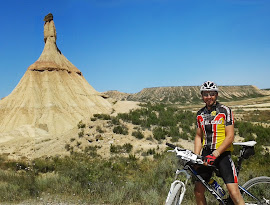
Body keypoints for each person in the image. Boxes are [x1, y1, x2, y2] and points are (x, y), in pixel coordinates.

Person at [194, 81, 245, 205]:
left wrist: (216, 154)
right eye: (205, 94)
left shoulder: (225, 111)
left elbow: (230, 137)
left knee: (233, 192)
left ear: (216, 95)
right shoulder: (200, 114)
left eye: (211, 94)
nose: (209, 97)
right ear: (202, 96)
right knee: (198, 191)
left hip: (222, 153)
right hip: (207, 153)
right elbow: (198, 136)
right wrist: (195, 156)